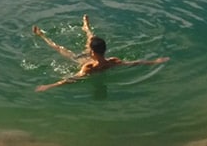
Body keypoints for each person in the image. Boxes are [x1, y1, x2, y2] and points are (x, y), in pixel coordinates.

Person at [33, 14, 169, 92]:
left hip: (80, 59)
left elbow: (71, 79)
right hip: (87, 57)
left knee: (60, 49)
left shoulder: (88, 68)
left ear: (92, 52)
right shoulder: (112, 62)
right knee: (90, 38)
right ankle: (85, 26)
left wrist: (49, 86)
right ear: (104, 50)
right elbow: (134, 63)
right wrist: (154, 62)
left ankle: (42, 35)